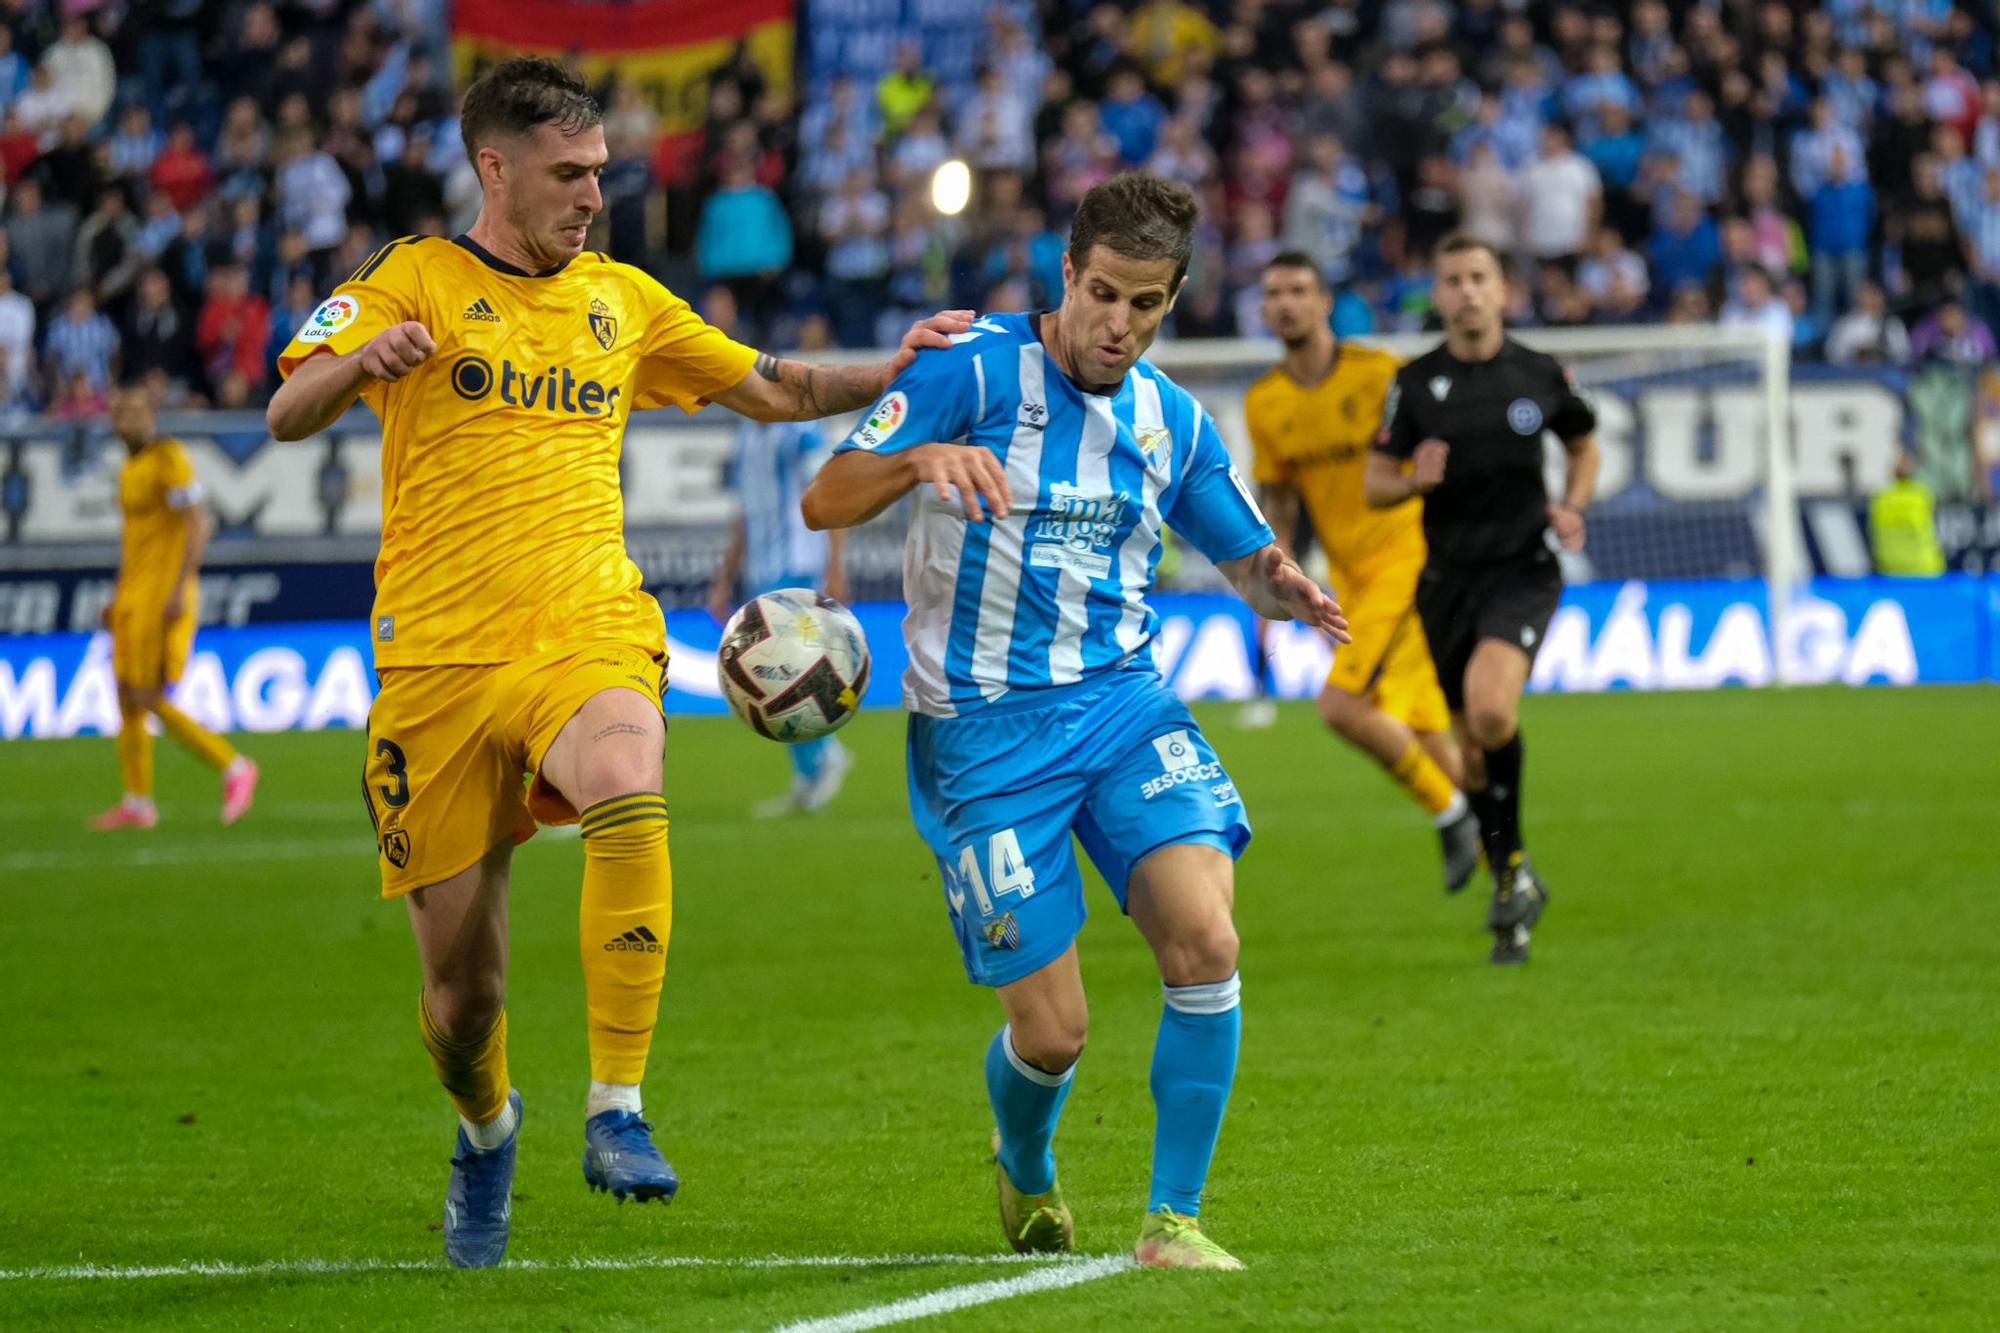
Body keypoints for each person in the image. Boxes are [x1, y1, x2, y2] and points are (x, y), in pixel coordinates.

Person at [266, 57, 969, 1270]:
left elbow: (771, 385)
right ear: (495, 166)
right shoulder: (409, 278)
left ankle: (618, 1105)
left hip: (584, 627)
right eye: (568, 173)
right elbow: (286, 410)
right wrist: (354, 367)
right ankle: (487, 1126)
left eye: (601, 172)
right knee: (461, 998)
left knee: (630, 764)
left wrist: (896, 374)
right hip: (434, 665)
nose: (594, 195)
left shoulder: (624, 301)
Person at [801, 173, 1348, 1270]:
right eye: (1101, 293)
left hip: (1121, 708)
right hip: (981, 740)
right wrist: (918, 459)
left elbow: (1241, 552)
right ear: (1065, 272)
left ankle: (1172, 1221)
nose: (1117, 324)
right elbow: (827, 496)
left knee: (1206, 939)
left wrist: (1283, 585)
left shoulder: (1169, 419)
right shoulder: (969, 367)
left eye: (1145, 304)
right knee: (1052, 1033)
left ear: (1173, 297)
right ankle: (1025, 1158)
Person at [1365, 234, 1599, 965]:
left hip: (1523, 570)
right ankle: (1514, 877)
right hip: (1446, 583)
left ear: (1503, 290)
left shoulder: (1537, 372)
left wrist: (1572, 504)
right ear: (1436, 294)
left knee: (1493, 708)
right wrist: (1413, 480)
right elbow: (1376, 482)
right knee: (1471, 758)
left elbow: (1583, 441)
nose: (1466, 290)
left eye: (1479, 277)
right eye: (1452, 279)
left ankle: (1511, 870)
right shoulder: (1414, 381)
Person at [1245, 251, 1479, 891]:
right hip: (1349, 582)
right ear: (1264, 310)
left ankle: (1453, 815)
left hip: (1410, 564)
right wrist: (1280, 565)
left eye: (1299, 289)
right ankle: (1510, 869)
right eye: (1274, 293)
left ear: (1325, 303)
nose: (1286, 303)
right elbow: (1281, 501)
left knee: (1340, 706)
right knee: (1427, 732)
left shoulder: (1379, 374)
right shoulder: (1266, 403)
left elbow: (1440, 440)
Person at [91, 385, 260, 832]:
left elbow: (197, 523)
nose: (121, 421)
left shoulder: (169, 458)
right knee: (126, 696)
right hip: (132, 596)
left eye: (130, 412)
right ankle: (138, 802)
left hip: (161, 596)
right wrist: (116, 593)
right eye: (117, 412)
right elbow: (134, 541)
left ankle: (234, 766)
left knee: (148, 696)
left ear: (150, 415)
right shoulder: (130, 468)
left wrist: (179, 588)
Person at [706, 406, 853, 817]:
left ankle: (823, 756)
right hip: (761, 571)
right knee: (769, 679)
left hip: (800, 565)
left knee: (789, 674)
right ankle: (811, 770)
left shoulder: (799, 428)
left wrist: (835, 564)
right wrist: (725, 579)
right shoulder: (745, 434)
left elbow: (830, 489)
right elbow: (745, 514)